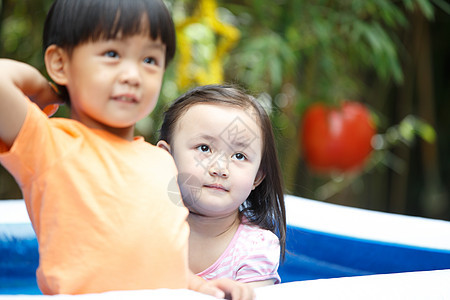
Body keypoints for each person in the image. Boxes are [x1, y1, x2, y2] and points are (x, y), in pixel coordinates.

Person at [0, 1, 253, 299]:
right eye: (112, 54)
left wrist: (200, 286)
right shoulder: (49, 145)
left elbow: (159, 259)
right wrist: (46, 89)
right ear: (60, 63)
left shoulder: (161, 161)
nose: (133, 75)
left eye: (149, 60)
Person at [158, 84, 287, 288]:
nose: (220, 168)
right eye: (204, 148)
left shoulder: (255, 250)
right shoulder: (147, 226)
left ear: (258, 177)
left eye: (239, 156)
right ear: (166, 157)